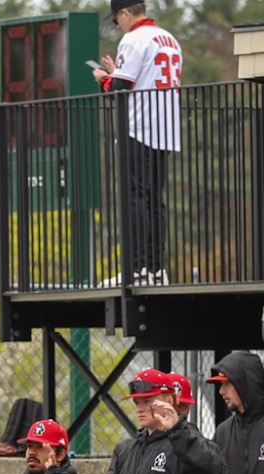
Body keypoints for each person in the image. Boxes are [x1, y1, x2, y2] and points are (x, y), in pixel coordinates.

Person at [90, 0, 181, 286]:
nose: (118, 27)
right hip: (165, 127)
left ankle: (138, 269)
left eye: (117, 21)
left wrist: (104, 79)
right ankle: (156, 269)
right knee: (155, 200)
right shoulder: (170, 39)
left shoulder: (133, 39)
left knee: (136, 198)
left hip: (139, 127)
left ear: (126, 13)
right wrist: (116, 72)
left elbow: (119, 88)